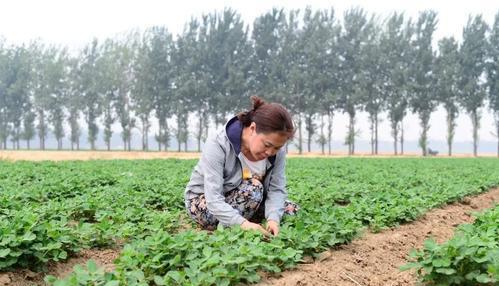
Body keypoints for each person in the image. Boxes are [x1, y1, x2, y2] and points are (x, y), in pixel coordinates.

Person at [184, 96, 299, 236]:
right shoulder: (218, 143)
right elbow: (213, 199)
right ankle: (236, 224)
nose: (270, 152)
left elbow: (276, 189)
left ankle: (244, 219)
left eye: (277, 148)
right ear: (252, 128)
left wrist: (273, 220)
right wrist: (244, 225)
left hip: (245, 198)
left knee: (290, 209)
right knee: (253, 190)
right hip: (205, 203)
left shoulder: (276, 152)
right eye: (267, 145)